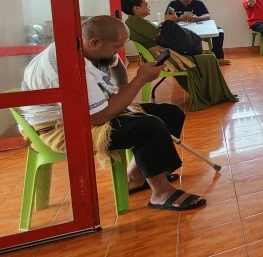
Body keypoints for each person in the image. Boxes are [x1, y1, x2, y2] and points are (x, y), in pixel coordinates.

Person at [18, 16, 206, 211]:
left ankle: (135, 177)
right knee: (149, 125)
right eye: (116, 47)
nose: (117, 52)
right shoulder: (69, 66)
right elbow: (98, 117)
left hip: (84, 112)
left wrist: (123, 88)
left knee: (171, 112)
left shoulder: (83, 46)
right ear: (94, 42)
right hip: (61, 126)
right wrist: (139, 81)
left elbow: (116, 64)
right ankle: (161, 193)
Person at [122, 0, 238, 111]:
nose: (149, 6)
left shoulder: (133, 21)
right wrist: (169, 22)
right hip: (162, 57)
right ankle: (211, 94)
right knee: (209, 57)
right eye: (146, 4)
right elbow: (163, 37)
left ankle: (210, 93)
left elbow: (159, 35)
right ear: (136, 8)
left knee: (209, 55)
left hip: (159, 53)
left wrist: (168, 23)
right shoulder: (136, 22)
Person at [167, 0, 230, 65]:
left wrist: (198, 18)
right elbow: (167, 18)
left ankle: (218, 58)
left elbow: (207, 15)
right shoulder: (173, 4)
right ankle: (181, 60)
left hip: (199, 27)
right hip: (181, 29)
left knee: (219, 31)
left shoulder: (198, 3)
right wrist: (180, 18)